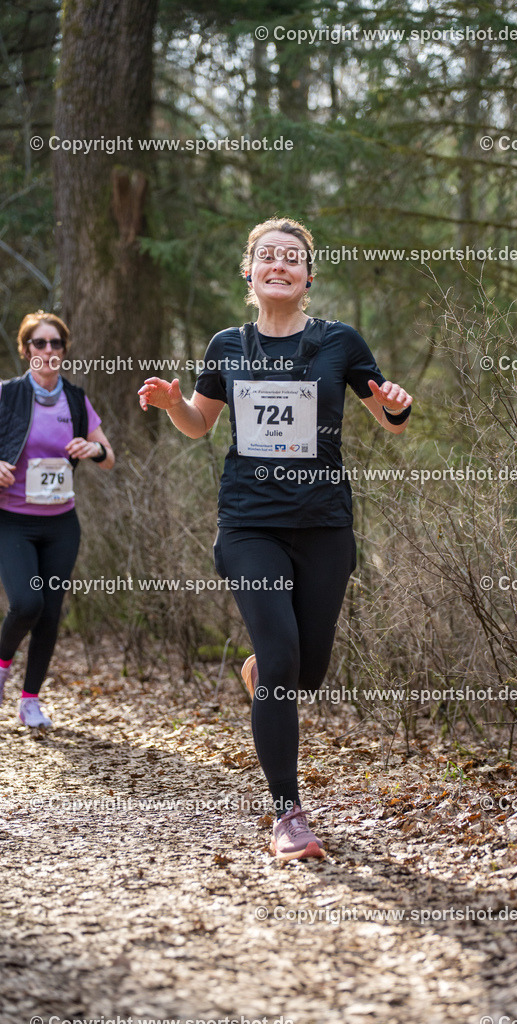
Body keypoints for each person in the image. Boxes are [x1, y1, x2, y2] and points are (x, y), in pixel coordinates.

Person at [138, 217, 412, 860]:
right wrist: (175, 402)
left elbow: (389, 418)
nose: (280, 265)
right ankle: (287, 814)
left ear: (308, 276)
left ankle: (264, 672)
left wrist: (397, 403)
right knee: (285, 664)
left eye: (293, 258)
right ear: (250, 272)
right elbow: (200, 426)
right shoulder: (227, 345)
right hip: (249, 525)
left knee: (301, 674)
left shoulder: (338, 342)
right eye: (268, 256)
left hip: (323, 526)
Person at [0, 311, 115, 728]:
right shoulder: (7, 395)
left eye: (55, 344)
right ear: (26, 349)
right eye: (39, 343)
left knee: (50, 612)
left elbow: (108, 456)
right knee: (27, 603)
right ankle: (1, 665)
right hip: (12, 520)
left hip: (61, 524)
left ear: (64, 351)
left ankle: (30, 700)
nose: (47, 351)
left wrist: (93, 449)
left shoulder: (76, 398)